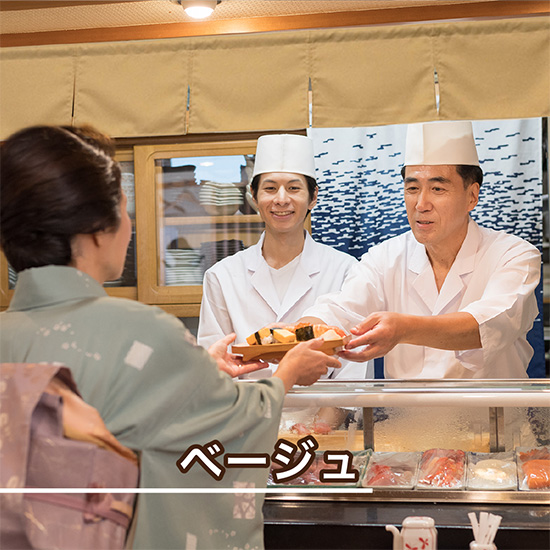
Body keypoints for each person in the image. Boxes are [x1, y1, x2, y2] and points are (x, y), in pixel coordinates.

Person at [0, 125, 341, 550]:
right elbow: (230, 424)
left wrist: (199, 370)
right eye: (124, 209)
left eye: (294, 188)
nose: (129, 224)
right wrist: (284, 376)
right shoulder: (144, 332)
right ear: (95, 228)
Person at [300, 120, 541, 379]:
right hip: (405, 420)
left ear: (472, 196)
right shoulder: (385, 257)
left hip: (493, 418)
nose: (421, 204)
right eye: (412, 188)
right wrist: (294, 335)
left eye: (438, 189)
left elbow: (488, 325)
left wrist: (403, 329)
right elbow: (341, 310)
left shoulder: (514, 255)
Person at [198, 133, 371, 380]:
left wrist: (323, 421)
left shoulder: (345, 270)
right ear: (254, 197)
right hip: (248, 414)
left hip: (322, 412)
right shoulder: (221, 276)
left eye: (293, 188)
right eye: (270, 188)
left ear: (313, 197)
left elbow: (352, 370)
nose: (281, 199)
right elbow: (213, 369)